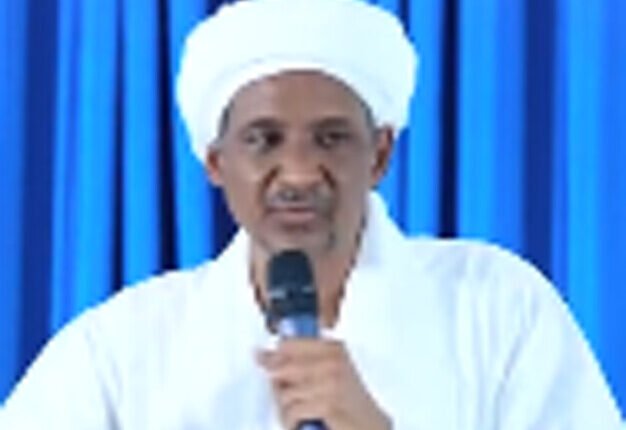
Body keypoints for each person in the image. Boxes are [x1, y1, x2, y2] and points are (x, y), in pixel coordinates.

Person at [1, 0, 623, 428]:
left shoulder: (499, 308)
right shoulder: (119, 348)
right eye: (264, 140)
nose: (299, 172)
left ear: (380, 154)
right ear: (215, 161)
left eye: (331, 139)